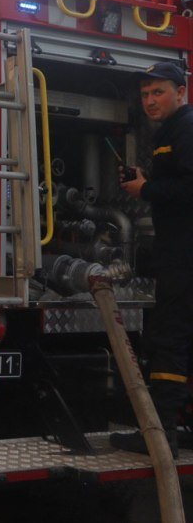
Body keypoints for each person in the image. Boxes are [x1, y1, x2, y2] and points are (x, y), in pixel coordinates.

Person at [113, 61, 193, 457]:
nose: (150, 100)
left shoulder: (186, 128)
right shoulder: (173, 130)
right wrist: (148, 181)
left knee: (168, 338)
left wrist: (146, 190)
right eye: (145, 94)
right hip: (180, 253)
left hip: (185, 256)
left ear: (181, 92)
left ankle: (161, 439)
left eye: (158, 92)